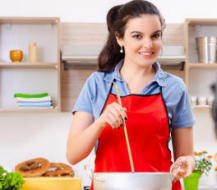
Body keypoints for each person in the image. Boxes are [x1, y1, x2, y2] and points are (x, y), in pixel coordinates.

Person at [66, 0, 195, 189]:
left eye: (155, 35)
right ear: (119, 38)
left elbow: (185, 156)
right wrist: (101, 122)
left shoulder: (174, 87)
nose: (148, 44)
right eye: (137, 36)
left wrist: (186, 164)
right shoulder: (98, 84)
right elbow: (73, 154)